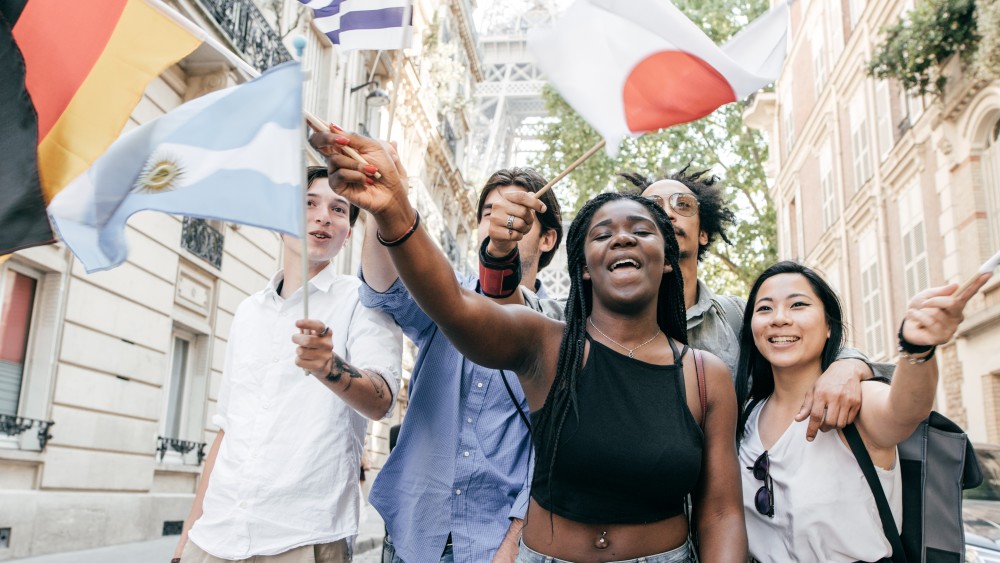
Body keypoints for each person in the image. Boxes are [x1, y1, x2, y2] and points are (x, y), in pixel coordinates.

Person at [322, 132, 747, 563]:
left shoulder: (705, 375)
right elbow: (454, 303)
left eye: (642, 231)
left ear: (669, 259)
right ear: (582, 269)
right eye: (602, 234)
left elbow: (721, 513)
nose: (623, 239)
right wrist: (393, 207)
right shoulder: (546, 344)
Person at [172, 166, 403, 563]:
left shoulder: (364, 300)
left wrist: (329, 367)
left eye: (339, 209)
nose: (323, 216)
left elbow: (381, 400)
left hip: (303, 538)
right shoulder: (247, 311)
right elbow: (228, 431)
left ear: (348, 231)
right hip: (214, 537)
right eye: (309, 203)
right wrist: (185, 540)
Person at [356, 166, 564, 563]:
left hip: (496, 543)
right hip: (413, 535)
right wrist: (380, 208)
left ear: (548, 237)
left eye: (515, 209)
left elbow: (550, 452)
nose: (498, 220)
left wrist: (515, 543)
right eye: (488, 211)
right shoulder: (443, 294)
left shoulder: (560, 330)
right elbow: (382, 289)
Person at [735, 261, 990, 561]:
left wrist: (918, 349)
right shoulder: (748, 414)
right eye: (764, 309)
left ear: (829, 326)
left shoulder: (857, 400)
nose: (779, 319)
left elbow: (904, 411)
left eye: (798, 305)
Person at [622, 168, 891, 440]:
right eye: (653, 207)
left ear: (703, 233)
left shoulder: (739, 316)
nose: (669, 213)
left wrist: (850, 366)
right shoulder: (607, 318)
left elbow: (820, 350)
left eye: (683, 205)